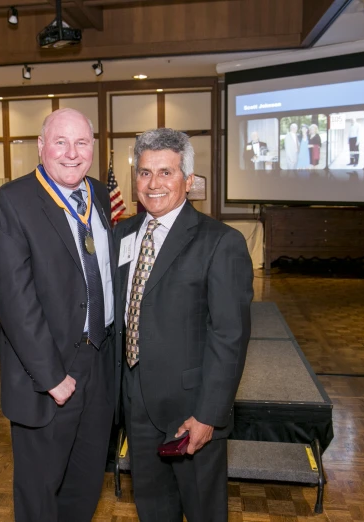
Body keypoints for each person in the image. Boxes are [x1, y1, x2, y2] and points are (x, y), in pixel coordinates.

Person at [113, 128, 253, 522]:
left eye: (165, 172)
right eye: (144, 173)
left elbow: (230, 337)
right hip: (135, 401)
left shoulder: (220, 242)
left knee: (203, 511)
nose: (152, 183)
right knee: (152, 509)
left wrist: (209, 414)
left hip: (191, 410)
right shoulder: (122, 234)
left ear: (188, 181)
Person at [0, 108, 115, 522]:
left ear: (93, 148)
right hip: (48, 373)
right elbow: (14, 300)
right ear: (41, 147)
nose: (72, 153)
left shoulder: (97, 193)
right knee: (40, 492)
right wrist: (51, 378)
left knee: (86, 479)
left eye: (82, 143)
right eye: (60, 142)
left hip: (100, 358)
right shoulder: (14, 201)